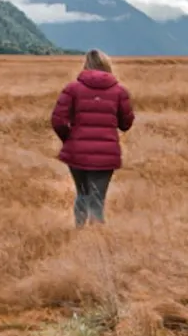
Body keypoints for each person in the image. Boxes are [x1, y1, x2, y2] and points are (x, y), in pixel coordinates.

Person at [50, 49, 135, 227]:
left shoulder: (72, 89)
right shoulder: (120, 91)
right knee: (97, 199)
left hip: (76, 153)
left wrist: (70, 140)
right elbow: (126, 123)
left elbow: (58, 120)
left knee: (82, 194)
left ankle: (79, 234)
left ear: (86, 64)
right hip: (106, 154)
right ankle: (95, 244)